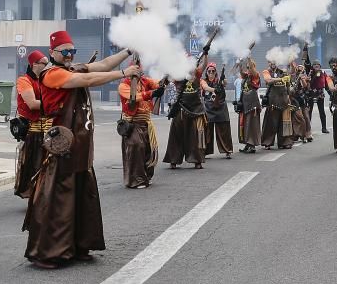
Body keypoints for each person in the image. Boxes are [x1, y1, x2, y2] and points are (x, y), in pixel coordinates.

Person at [24, 31, 137, 269]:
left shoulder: (72, 68)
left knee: (82, 194)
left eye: (72, 51)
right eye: (65, 52)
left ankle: (79, 245)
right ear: (52, 52)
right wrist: (125, 73)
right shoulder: (52, 74)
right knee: (59, 198)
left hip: (81, 144)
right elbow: (88, 81)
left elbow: (104, 65)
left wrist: (128, 51)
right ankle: (49, 252)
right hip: (61, 144)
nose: (69, 55)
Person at [118, 61, 163, 189]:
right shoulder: (123, 85)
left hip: (146, 122)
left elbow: (157, 83)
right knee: (136, 147)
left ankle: (146, 176)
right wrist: (151, 93)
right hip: (132, 123)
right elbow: (133, 97)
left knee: (148, 150)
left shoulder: (145, 81)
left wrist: (164, 81)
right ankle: (136, 179)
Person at [14, 51, 48, 199]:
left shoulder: (47, 80)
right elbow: (33, 104)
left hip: (48, 130)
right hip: (32, 132)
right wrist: (57, 103)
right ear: (34, 64)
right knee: (33, 165)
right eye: (44, 64)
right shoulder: (24, 80)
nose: (48, 66)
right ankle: (34, 195)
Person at [163, 61, 208, 169]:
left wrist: (205, 53)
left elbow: (204, 65)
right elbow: (168, 77)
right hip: (181, 109)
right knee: (176, 136)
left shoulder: (197, 73)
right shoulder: (179, 75)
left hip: (196, 110)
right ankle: (173, 160)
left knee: (196, 137)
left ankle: (197, 160)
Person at [202, 62, 234, 159]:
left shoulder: (219, 80)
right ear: (206, 72)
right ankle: (205, 151)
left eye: (213, 71)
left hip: (221, 107)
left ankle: (227, 150)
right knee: (207, 130)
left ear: (216, 72)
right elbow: (205, 87)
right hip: (208, 107)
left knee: (224, 130)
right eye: (209, 71)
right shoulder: (203, 80)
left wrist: (223, 79)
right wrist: (214, 90)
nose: (211, 72)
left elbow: (225, 83)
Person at [261, 60, 294, 150]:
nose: (273, 64)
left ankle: (285, 142)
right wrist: (281, 79)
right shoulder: (266, 72)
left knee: (285, 124)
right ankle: (267, 142)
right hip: (272, 101)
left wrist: (289, 97)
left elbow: (287, 87)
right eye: (271, 62)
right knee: (270, 124)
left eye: (275, 62)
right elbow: (268, 81)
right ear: (269, 63)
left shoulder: (283, 72)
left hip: (284, 101)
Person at [237, 57, 262, 153]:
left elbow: (251, 68)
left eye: (250, 67)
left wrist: (249, 58)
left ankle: (252, 145)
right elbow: (241, 72)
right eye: (247, 67)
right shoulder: (246, 76)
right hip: (244, 103)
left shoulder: (256, 75)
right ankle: (247, 144)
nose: (248, 69)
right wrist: (239, 63)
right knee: (244, 124)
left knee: (252, 125)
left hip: (252, 104)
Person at [306, 59, 331, 134]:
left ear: (320, 66)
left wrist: (331, 94)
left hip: (320, 93)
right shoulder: (310, 72)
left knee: (322, 111)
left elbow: (326, 84)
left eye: (318, 65)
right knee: (309, 111)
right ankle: (308, 129)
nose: (316, 66)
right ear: (312, 66)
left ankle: (324, 128)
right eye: (315, 65)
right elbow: (309, 82)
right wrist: (313, 74)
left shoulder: (323, 73)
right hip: (311, 92)